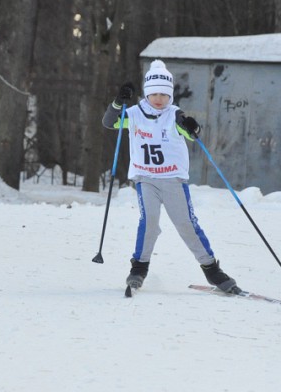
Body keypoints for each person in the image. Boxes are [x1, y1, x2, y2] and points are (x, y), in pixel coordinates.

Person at [102, 59, 241, 294]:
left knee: (186, 224)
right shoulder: (133, 114)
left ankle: (212, 270)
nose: (159, 99)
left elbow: (190, 130)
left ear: (170, 96)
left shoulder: (174, 115)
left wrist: (191, 126)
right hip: (145, 179)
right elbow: (109, 123)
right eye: (154, 93)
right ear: (146, 93)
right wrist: (118, 102)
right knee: (150, 222)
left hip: (173, 180)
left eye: (164, 95)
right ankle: (138, 268)